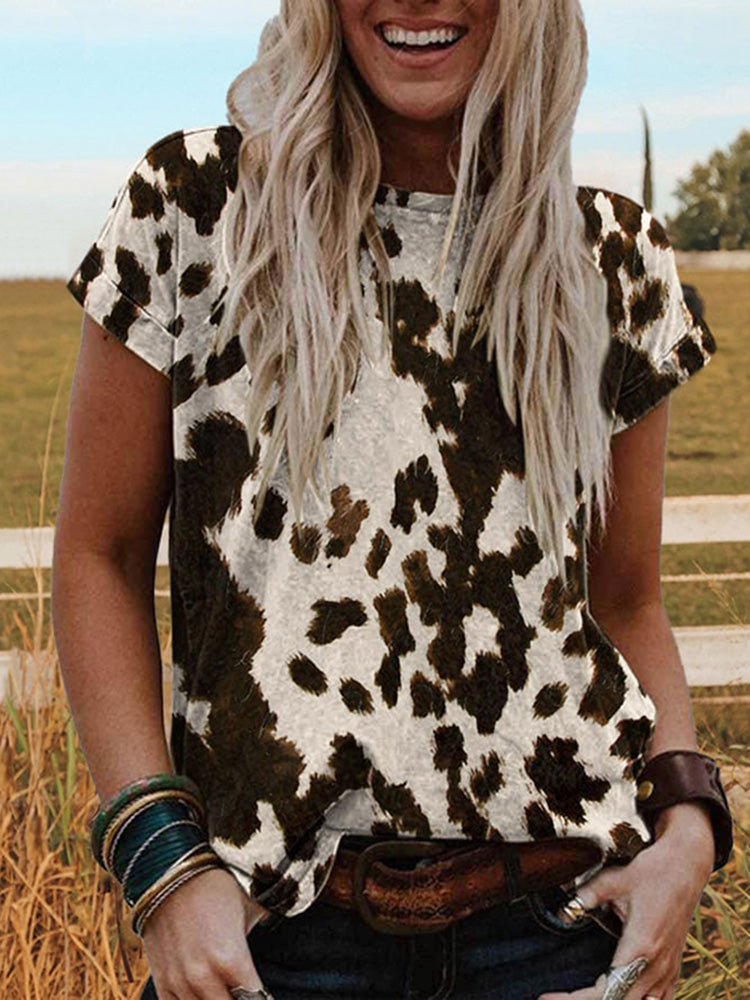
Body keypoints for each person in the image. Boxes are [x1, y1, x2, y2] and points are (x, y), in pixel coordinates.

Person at [52, 2, 733, 999]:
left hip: (561, 933)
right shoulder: (192, 208)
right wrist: (162, 865)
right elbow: (98, 558)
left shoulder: (614, 259)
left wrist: (689, 827)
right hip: (269, 943)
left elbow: (628, 601)